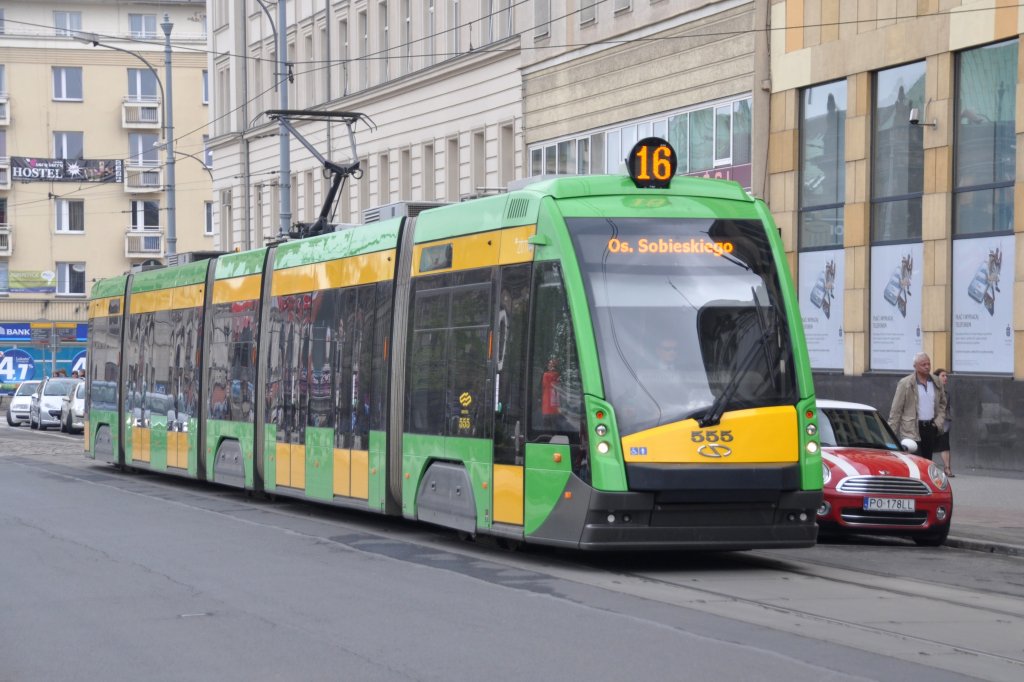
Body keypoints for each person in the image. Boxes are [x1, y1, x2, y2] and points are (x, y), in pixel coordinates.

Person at [888, 352, 946, 461]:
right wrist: (890, 435)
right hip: (911, 429)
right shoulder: (905, 383)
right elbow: (896, 410)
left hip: (930, 427)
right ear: (915, 366)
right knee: (915, 461)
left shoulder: (936, 381)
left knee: (927, 461)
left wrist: (938, 423)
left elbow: (943, 403)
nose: (927, 367)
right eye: (923, 364)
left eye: (928, 364)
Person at [934, 368, 953, 477]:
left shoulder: (947, 393)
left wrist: (948, 419)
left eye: (946, 376)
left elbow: (947, 408)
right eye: (943, 376)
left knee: (945, 445)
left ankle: (947, 468)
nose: (946, 378)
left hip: (944, 423)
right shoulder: (931, 390)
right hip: (931, 422)